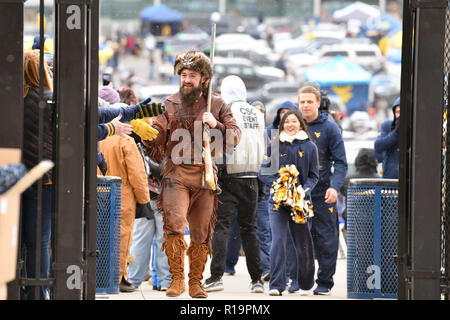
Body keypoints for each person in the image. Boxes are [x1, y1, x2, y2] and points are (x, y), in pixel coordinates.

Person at [142, 51, 241, 298]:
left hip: (206, 174)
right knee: (174, 226)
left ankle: (195, 282)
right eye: (183, 75)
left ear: (204, 78)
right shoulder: (169, 104)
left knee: (201, 232)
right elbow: (156, 143)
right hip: (175, 174)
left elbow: (235, 136)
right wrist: (147, 133)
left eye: (192, 75)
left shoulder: (217, 105)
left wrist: (216, 124)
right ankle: (176, 280)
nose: (187, 80)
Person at [203, 75, 266, 294]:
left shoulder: (225, 112)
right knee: (250, 229)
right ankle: (257, 279)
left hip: (229, 174)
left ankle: (216, 276)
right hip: (252, 176)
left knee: (221, 226)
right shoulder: (258, 113)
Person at [259, 109, 319, 296]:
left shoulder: (310, 147)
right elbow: (263, 172)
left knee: (303, 242)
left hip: (300, 202)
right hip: (278, 202)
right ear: (282, 124)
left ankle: (306, 284)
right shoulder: (275, 145)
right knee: (277, 241)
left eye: (294, 121)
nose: (290, 125)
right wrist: (277, 185)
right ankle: (276, 285)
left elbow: (313, 176)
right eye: (287, 122)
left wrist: (303, 190)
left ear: (301, 124)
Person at [298, 85, 348, 295]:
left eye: (310, 101)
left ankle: (325, 282)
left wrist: (335, 188)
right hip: (297, 195)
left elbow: (341, 163)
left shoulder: (330, 128)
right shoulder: (291, 124)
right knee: (298, 240)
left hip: (322, 194)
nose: (306, 105)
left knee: (327, 240)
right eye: (302, 102)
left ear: (318, 103)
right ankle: (299, 279)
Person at [97, 113, 152, 292]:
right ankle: (119, 277)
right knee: (121, 237)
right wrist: (144, 200)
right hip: (122, 195)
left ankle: (101, 275)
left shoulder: (98, 139)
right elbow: (137, 174)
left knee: (101, 236)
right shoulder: (125, 142)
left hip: (99, 192)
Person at [21, 50, 54, 300]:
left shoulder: (10, 100)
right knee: (39, 243)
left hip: (11, 179)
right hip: (43, 180)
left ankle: (15, 289)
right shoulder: (50, 100)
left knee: (13, 240)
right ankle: (37, 292)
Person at [127, 138, 172, 291]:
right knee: (164, 240)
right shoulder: (170, 147)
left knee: (140, 240)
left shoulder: (137, 147)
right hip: (165, 197)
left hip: (145, 197)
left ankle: (133, 280)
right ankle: (165, 281)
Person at [374, 97, 400, 179]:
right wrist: (395, 133)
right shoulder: (387, 126)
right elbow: (378, 146)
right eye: (398, 112)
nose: (400, 116)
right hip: (389, 180)